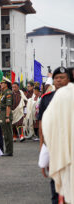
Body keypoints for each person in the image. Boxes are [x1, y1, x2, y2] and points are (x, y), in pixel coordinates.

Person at [38, 67, 70, 204]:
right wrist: (41, 146)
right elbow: (41, 124)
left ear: (68, 80)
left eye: (62, 77)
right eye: (56, 78)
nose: (59, 80)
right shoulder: (46, 99)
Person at [0, 78, 14, 156]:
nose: (1, 85)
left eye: (2, 83)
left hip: (6, 113)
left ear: (6, 84)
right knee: (5, 132)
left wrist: (7, 117)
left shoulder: (8, 92)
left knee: (8, 133)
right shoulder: (3, 92)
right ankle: (7, 150)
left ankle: (9, 151)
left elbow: (8, 105)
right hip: (2, 112)